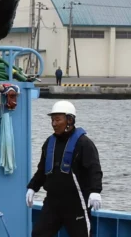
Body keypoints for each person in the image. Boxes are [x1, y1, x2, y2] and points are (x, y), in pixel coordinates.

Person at [26, 100, 103, 237]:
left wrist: (95, 191)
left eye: (57, 119)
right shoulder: (49, 143)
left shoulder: (84, 143)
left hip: (76, 203)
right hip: (53, 202)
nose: (54, 124)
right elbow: (42, 169)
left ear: (70, 120)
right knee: (39, 234)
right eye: (52, 120)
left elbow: (94, 169)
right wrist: (33, 187)